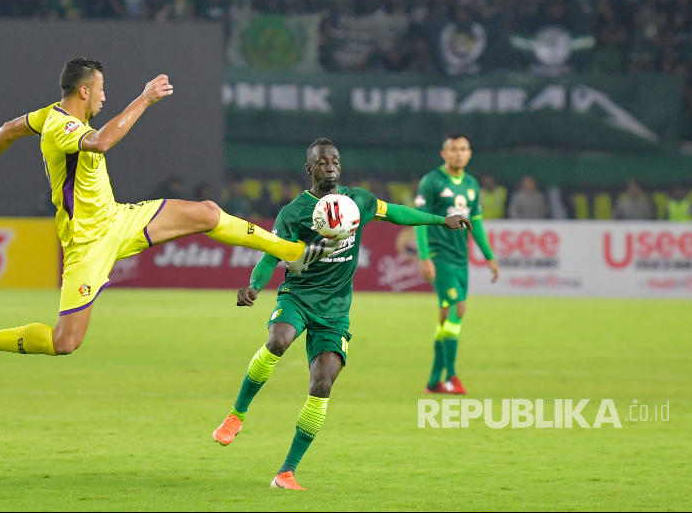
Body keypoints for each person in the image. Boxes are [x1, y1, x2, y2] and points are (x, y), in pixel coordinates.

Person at [0, 57, 335, 379]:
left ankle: (294, 251)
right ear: (84, 91)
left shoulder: (47, 116)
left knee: (207, 213)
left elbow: (8, 129)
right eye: (100, 89)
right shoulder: (62, 127)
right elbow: (101, 142)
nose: (103, 95)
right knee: (65, 342)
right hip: (87, 245)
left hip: (118, 220)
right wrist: (145, 98)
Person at [211, 137, 471, 490]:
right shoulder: (294, 213)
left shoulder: (358, 200)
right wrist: (255, 285)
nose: (330, 166)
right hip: (299, 296)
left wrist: (442, 220)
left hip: (335, 311)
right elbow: (270, 253)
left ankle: (286, 472)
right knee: (278, 340)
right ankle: (236, 416)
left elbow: (395, 212)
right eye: (322, 162)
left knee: (322, 384)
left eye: (334, 161)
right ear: (309, 169)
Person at [415, 134, 499, 395]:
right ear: (444, 153)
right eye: (453, 149)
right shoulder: (431, 182)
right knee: (457, 309)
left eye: (463, 149)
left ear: (470, 153)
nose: (459, 154)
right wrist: (425, 256)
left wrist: (489, 256)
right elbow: (419, 218)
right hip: (440, 257)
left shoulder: (472, 185)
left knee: (444, 317)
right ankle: (451, 377)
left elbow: (478, 225)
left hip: (460, 260)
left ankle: (433, 381)